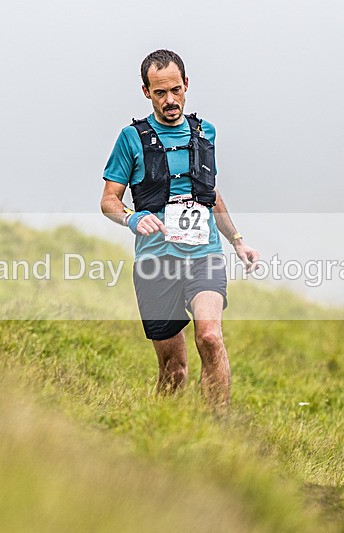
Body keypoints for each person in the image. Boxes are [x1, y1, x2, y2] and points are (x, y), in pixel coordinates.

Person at [100, 49, 259, 408]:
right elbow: (109, 199)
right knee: (175, 371)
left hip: (204, 255)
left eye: (175, 90)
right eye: (160, 93)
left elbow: (209, 193)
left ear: (187, 85)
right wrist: (132, 217)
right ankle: (162, 429)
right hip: (156, 263)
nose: (170, 100)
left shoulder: (206, 133)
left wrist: (237, 241)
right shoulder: (131, 139)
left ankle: (220, 432)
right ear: (146, 92)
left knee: (211, 337)